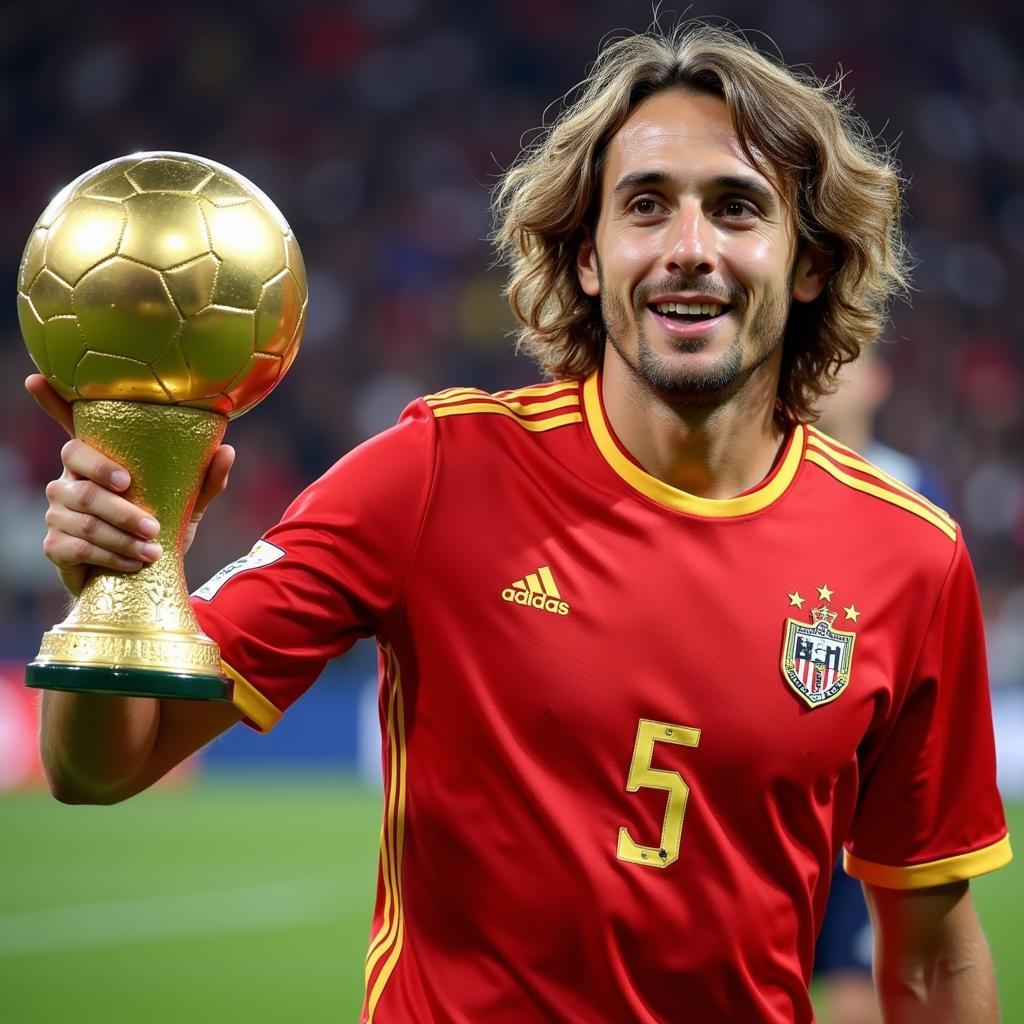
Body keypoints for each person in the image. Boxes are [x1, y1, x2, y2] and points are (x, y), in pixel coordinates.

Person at [29, 23, 1011, 1024]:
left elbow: (931, 956)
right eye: (645, 207)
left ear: (807, 263)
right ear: (587, 259)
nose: (688, 248)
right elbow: (98, 763)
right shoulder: (434, 472)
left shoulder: (909, 558)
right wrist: (127, 568)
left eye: (736, 209)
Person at [810, 348, 953, 1024]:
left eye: (847, 364)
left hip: (870, 762)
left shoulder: (916, 488)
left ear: (878, 382)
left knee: (859, 969)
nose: (828, 377)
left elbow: (940, 627)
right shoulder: (763, 474)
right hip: (794, 747)